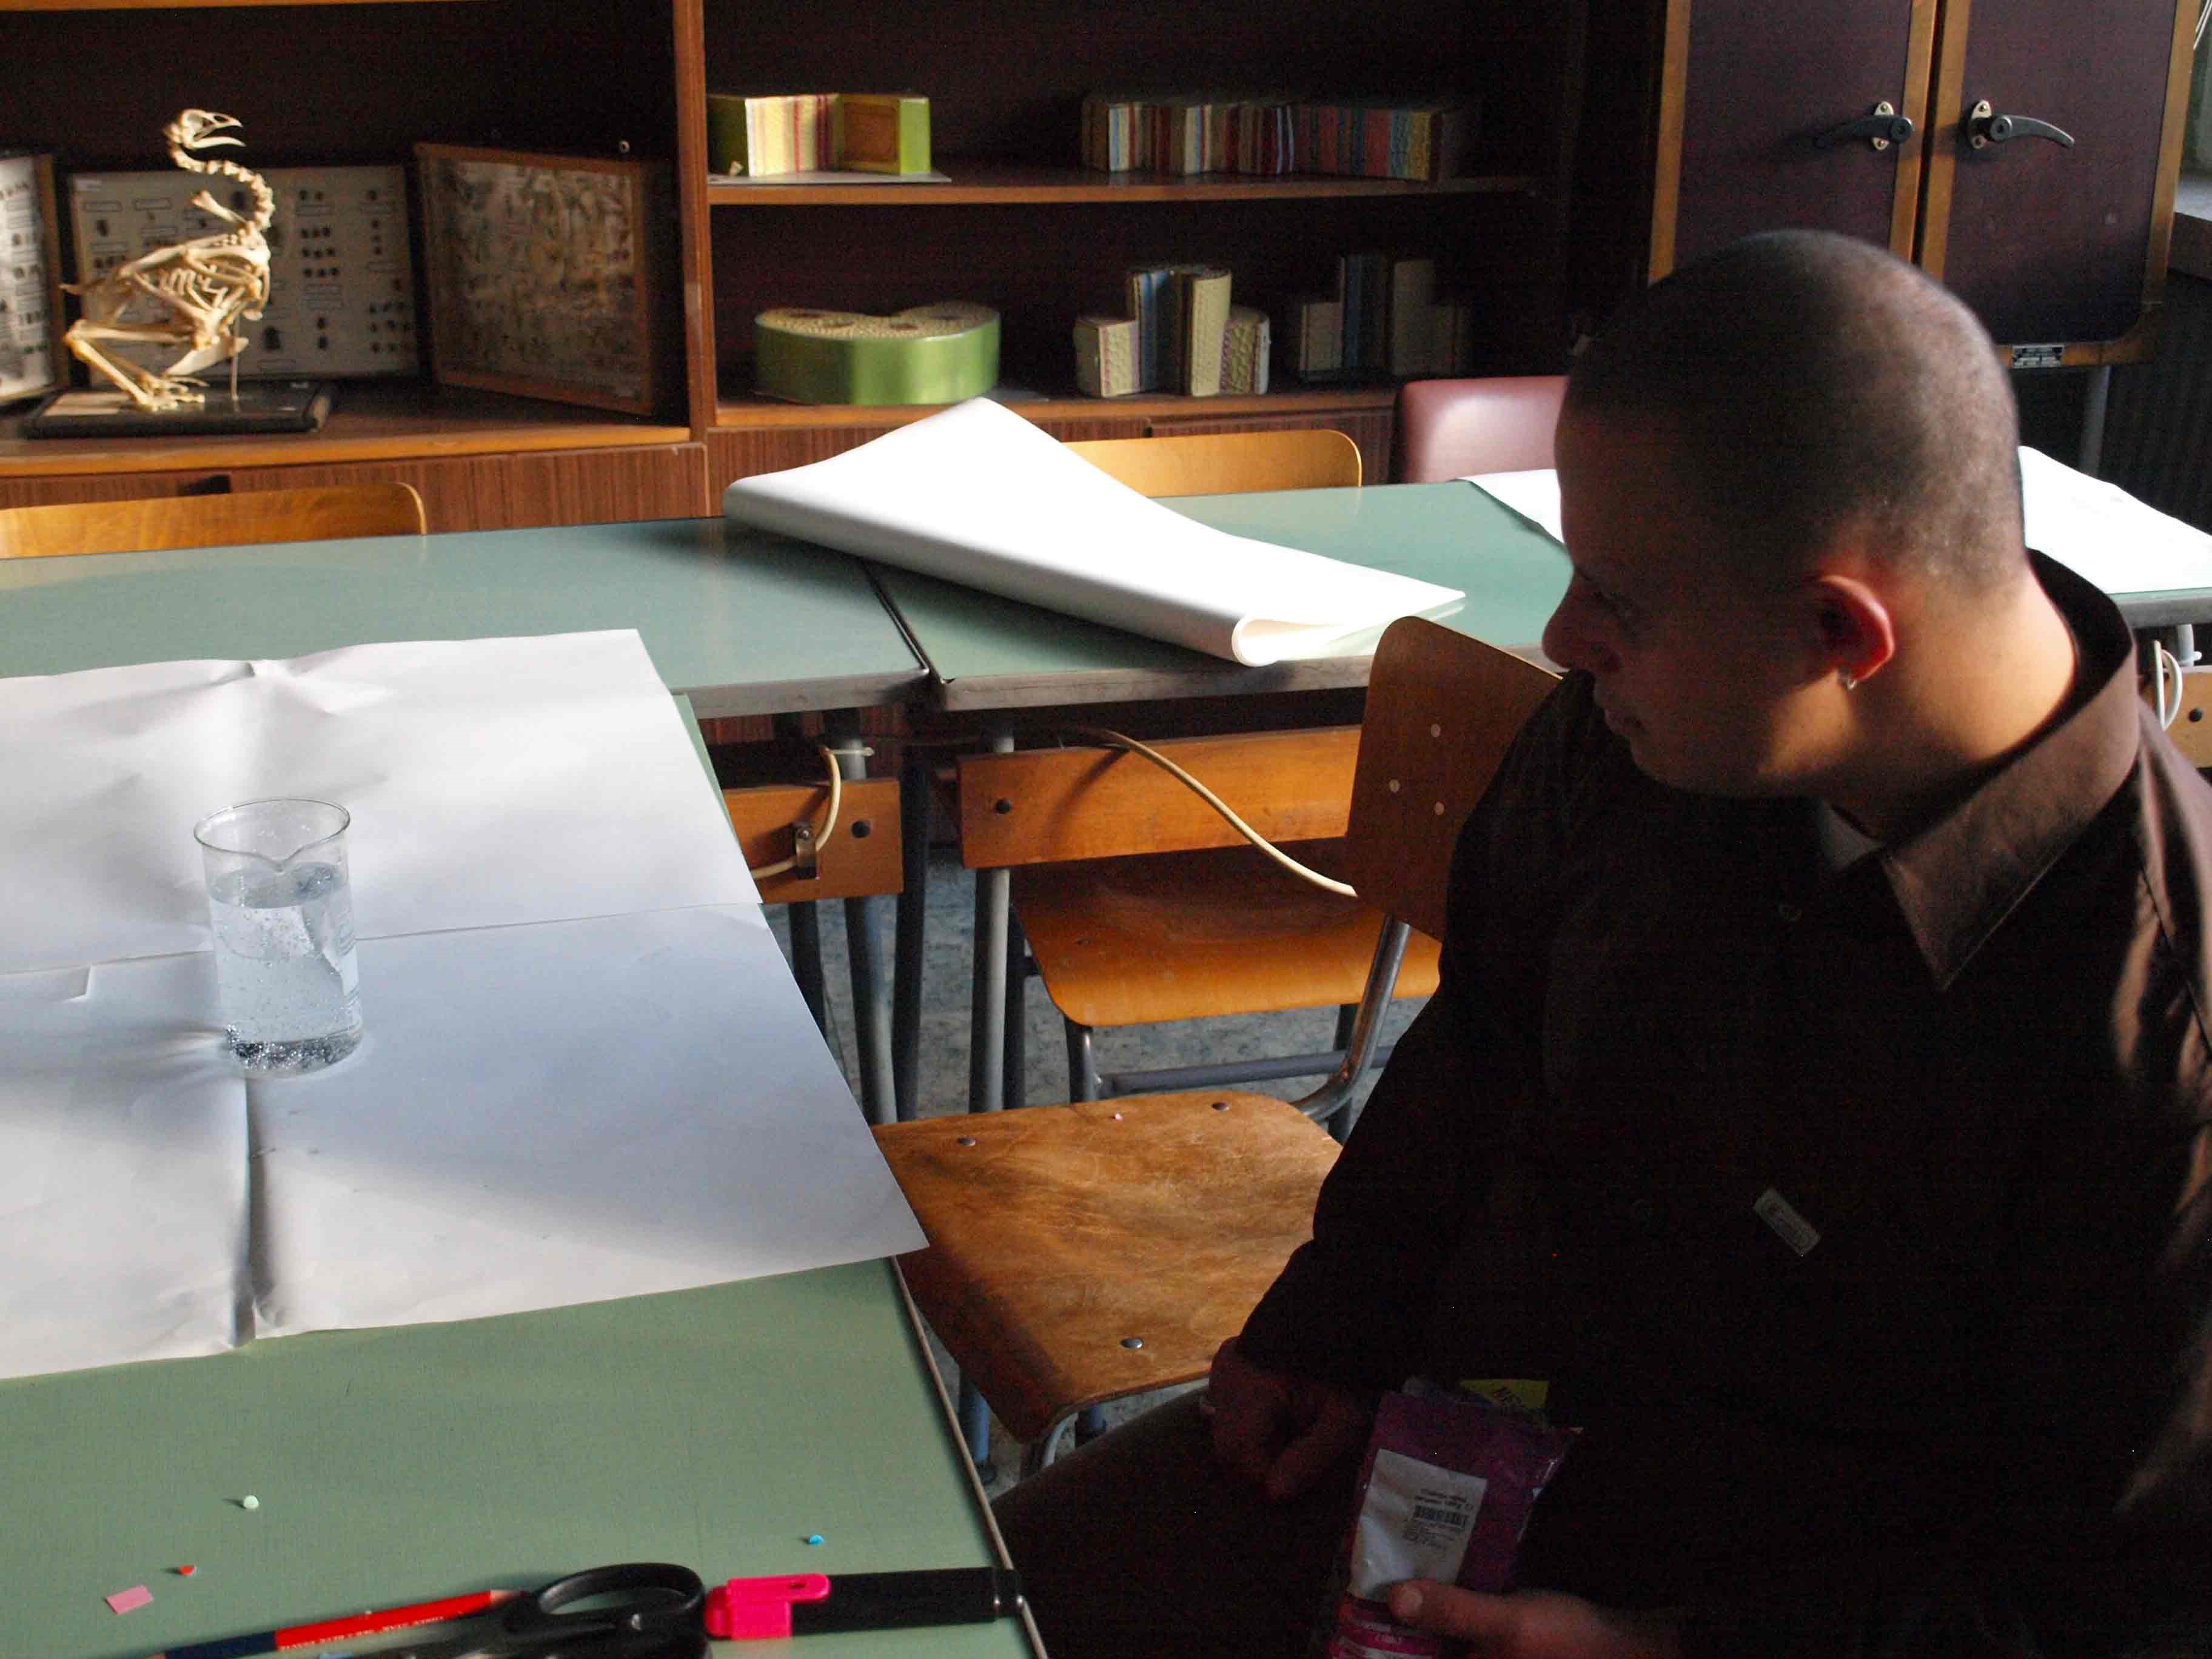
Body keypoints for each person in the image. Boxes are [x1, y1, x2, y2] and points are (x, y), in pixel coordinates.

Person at [994, 229, 2212, 1658]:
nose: (1567, 639)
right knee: (949, 1616)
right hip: (1461, 1462)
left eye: (1618, 606)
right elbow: (1488, 1040)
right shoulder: (1658, 723)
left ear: (1841, 631)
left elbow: (2107, 1610)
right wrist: (1333, 1324)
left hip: (1774, 1609)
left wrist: (1647, 1649)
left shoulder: (2156, 1050)